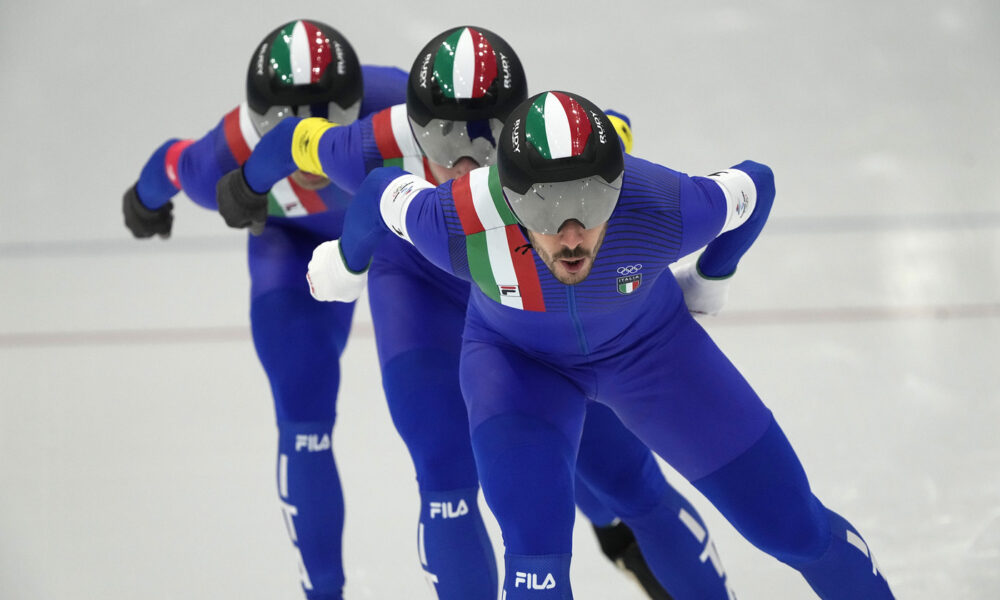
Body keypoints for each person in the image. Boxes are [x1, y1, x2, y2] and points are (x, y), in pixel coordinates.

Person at [292, 90, 898, 599]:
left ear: (619, 186)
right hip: (518, 367)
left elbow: (757, 186)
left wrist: (714, 277)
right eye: (545, 208)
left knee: (793, 530)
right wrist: (348, 264)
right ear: (508, 196)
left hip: (650, 351)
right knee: (536, 566)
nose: (571, 232)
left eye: (591, 202)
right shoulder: (458, 218)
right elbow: (376, 191)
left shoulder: (664, 204)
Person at [218, 27, 737, 600]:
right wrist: (248, 186)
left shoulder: (542, 157)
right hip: (430, 298)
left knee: (621, 475)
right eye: (442, 143)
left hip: (517, 313)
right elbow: (295, 139)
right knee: (447, 477)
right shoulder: (373, 143)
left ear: (515, 135)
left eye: (487, 142)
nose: (465, 163)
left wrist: (248, 188)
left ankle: (615, 531)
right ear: (415, 131)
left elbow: (612, 133)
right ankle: (617, 531)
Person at [122, 20, 409, 600]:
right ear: (258, 127)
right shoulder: (220, 161)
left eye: (324, 126)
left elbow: (163, 169)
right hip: (295, 249)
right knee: (305, 415)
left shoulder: (397, 101)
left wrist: (142, 205)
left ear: (355, 110)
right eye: (285, 131)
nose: (304, 149)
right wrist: (145, 199)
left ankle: (611, 521)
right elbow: (172, 164)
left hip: (395, 237)